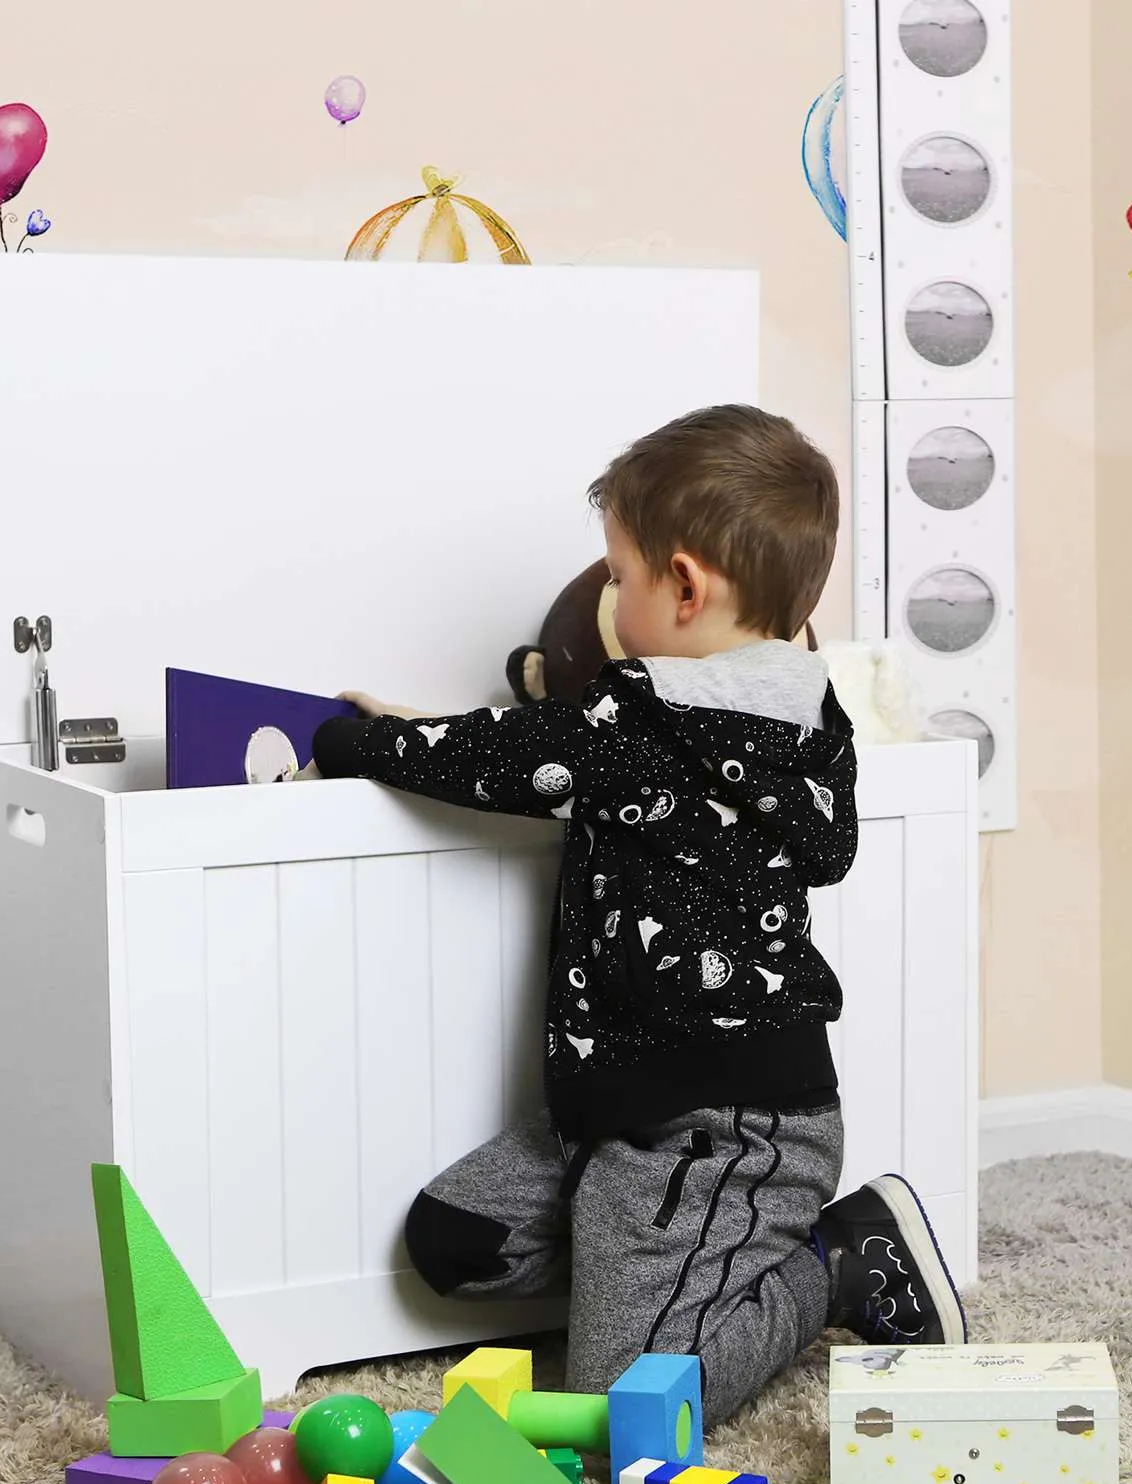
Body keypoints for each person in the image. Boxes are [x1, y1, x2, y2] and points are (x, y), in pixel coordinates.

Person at [308, 404, 967, 1426]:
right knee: (455, 1238)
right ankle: (663, 1279)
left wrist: (355, 744)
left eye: (617, 576)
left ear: (686, 586)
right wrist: (419, 726)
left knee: (628, 1409)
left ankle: (836, 1262)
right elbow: (540, 743)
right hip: (618, 1105)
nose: (609, 597)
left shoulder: (647, 715)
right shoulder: (807, 712)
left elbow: (507, 759)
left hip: (722, 1125)